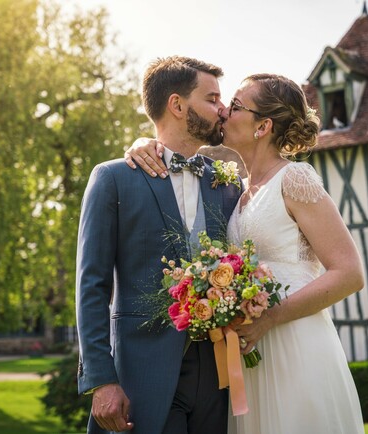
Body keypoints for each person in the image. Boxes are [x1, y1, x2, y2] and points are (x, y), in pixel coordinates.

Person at [126, 74, 365, 433]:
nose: (223, 112)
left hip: (294, 345)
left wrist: (270, 318)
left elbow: (349, 273)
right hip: (250, 358)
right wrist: (144, 142)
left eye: (236, 106)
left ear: (263, 126)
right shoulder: (236, 191)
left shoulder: (295, 179)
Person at [76, 56, 243, 434]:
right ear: (178, 105)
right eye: (213, 98)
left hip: (219, 376)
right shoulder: (114, 178)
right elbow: (92, 286)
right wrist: (101, 380)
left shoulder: (227, 182)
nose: (223, 110)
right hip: (144, 377)